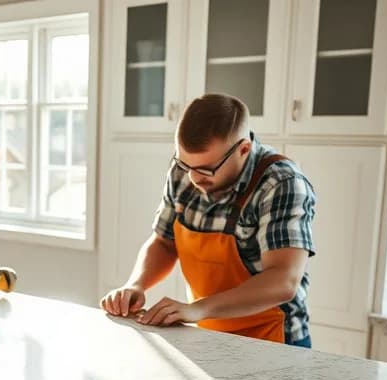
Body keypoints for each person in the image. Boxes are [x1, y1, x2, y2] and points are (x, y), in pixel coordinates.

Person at [100, 93, 317, 347]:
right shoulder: (186, 172)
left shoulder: (282, 182)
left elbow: (283, 280)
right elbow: (164, 243)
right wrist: (136, 285)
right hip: (209, 333)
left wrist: (198, 309)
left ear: (243, 149)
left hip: (274, 340)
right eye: (185, 164)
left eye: (205, 169)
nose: (193, 177)